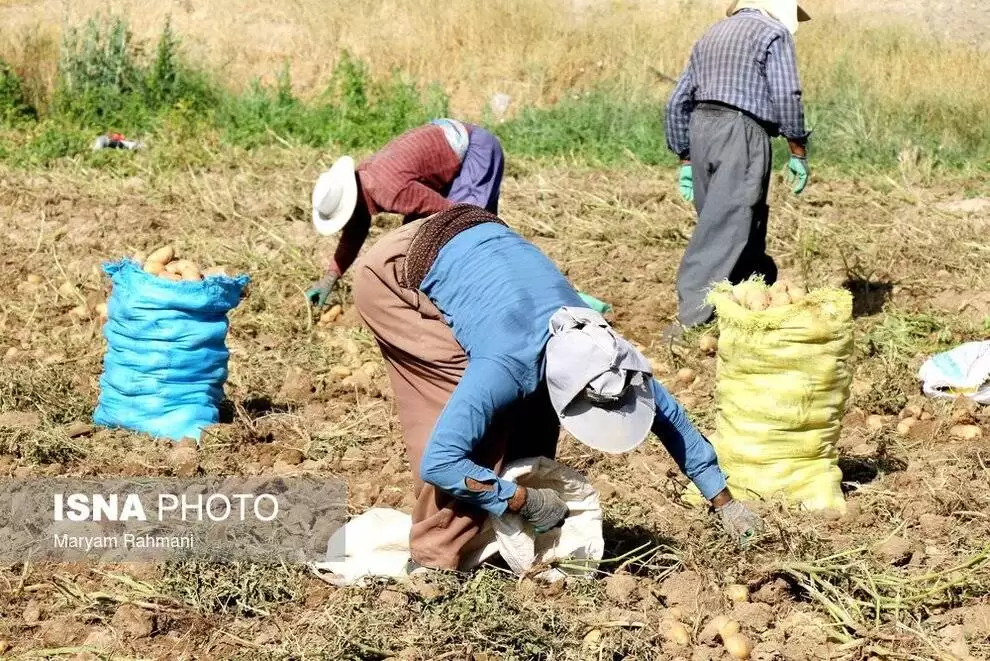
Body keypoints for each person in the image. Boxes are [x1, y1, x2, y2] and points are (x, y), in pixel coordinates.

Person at [352, 203, 764, 571]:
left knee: (531, 408)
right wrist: (520, 501)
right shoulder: (505, 365)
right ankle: (434, 558)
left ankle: (498, 524)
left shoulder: (607, 353)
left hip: (474, 239)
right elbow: (441, 461)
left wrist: (725, 503)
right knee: (468, 419)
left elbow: (672, 421)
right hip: (395, 277)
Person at [664, 0, 812, 335]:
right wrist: (797, 149)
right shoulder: (773, 33)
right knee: (725, 228)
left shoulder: (712, 33)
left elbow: (677, 100)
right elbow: (788, 95)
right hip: (740, 131)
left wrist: (686, 157)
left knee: (739, 222)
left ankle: (745, 301)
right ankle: (690, 323)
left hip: (702, 129)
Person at [306, 118, 504, 308]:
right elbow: (353, 234)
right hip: (447, 147)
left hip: (475, 148)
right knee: (415, 240)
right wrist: (330, 278)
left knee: (465, 230)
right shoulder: (363, 182)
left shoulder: (390, 191)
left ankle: (491, 294)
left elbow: (452, 213)